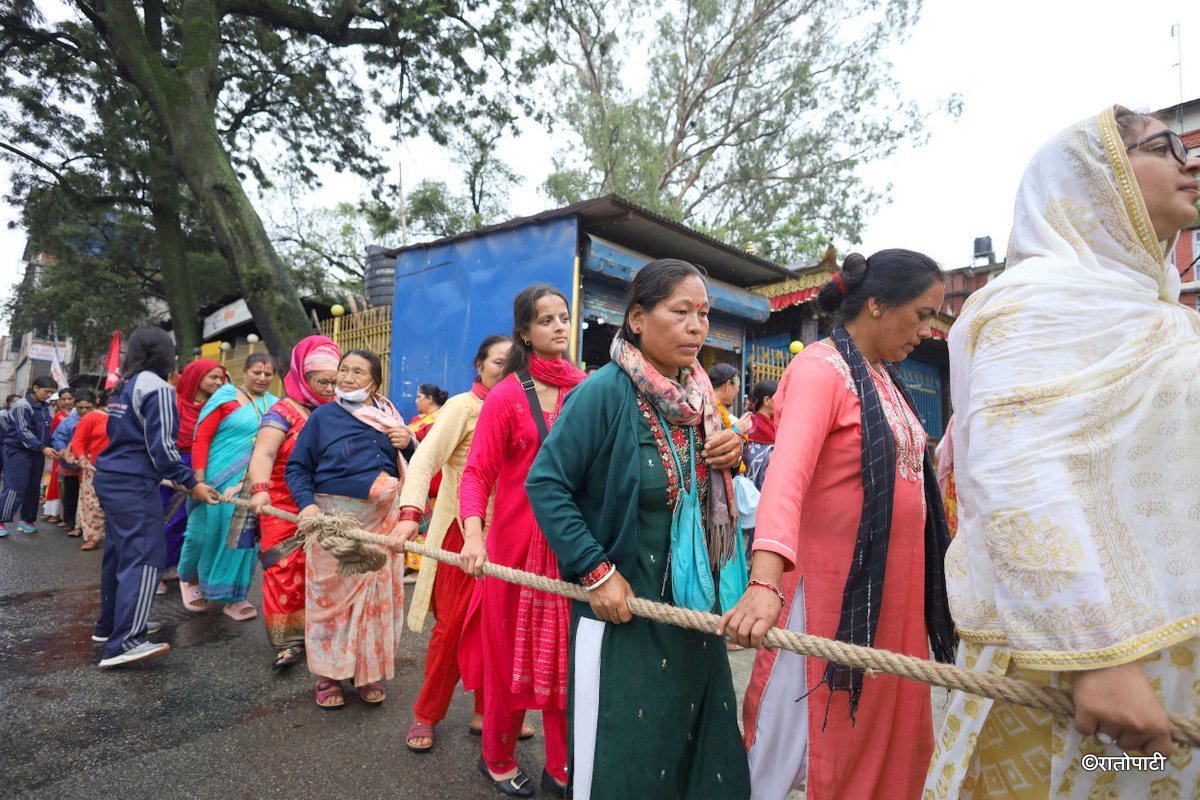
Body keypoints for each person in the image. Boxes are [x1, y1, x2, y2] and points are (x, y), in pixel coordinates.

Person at [924, 106, 1200, 798]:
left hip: (1172, 648)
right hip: (1079, 667)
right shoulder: (1035, 302)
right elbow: (1017, 468)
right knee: (1093, 775)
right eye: (1165, 146)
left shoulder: (1161, 316)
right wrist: (1093, 658)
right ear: (1095, 175)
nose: (1190, 161)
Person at [721, 249, 956, 800]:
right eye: (921, 314)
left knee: (882, 729)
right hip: (826, 598)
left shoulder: (885, 379)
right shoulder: (819, 369)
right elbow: (787, 477)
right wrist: (763, 584)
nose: (926, 331)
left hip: (892, 598)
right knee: (782, 742)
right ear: (875, 304)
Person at [525, 259, 750, 799]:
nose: (698, 326)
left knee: (702, 759)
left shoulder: (702, 405)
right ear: (637, 318)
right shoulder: (603, 394)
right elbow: (546, 484)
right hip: (625, 613)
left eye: (704, 314)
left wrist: (728, 456)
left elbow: (700, 497)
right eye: (680, 312)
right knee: (628, 759)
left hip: (694, 616)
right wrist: (597, 574)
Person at [457, 284, 587, 798]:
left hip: (574, 548)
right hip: (512, 551)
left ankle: (561, 764)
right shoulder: (509, 395)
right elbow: (476, 474)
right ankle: (497, 756)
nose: (558, 326)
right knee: (507, 655)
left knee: (567, 660)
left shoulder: (590, 389)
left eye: (563, 317)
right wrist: (474, 535)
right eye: (546, 319)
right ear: (525, 333)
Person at [395, 335, 514, 753]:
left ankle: (487, 711)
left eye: (512, 361)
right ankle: (426, 714)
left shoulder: (521, 405)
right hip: (461, 536)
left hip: (509, 537)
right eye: (498, 360)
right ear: (479, 365)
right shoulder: (463, 406)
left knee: (499, 630)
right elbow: (425, 459)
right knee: (451, 629)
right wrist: (410, 514)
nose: (505, 367)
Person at [285, 349, 413, 709]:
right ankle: (328, 675)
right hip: (333, 522)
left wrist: (410, 443)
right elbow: (297, 469)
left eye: (358, 372)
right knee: (329, 601)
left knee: (377, 601)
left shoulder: (391, 419)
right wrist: (308, 508)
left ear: (374, 382)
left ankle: (367, 672)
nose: (347, 378)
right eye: (344, 370)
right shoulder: (323, 418)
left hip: (381, 523)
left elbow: (415, 469)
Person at [92, 326, 219, 667]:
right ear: (167, 354)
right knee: (146, 554)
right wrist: (191, 482)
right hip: (133, 483)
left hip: (111, 477)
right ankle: (125, 641)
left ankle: (110, 627)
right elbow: (162, 447)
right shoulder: (159, 389)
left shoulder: (124, 385)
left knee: (119, 554)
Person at [243, 335, 341, 671]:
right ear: (303, 376)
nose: (329, 388)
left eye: (335, 380)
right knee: (284, 571)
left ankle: (322, 632)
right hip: (281, 505)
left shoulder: (343, 410)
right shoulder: (283, 410)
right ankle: (288, 642)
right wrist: (260, 489)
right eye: (321, 381)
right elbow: (264, 452)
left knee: (326, 573)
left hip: (328, 506)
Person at [178, 353, 277, 620]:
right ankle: (188, 578)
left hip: (251, 480)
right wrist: (197, 479)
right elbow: (202, 438)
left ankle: (233, 595)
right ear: (245, 372)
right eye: (257, 372)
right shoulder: (225, 397)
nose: (262, 378)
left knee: (243, 538)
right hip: (214, 479)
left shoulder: (276, 406)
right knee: (202, 534)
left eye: (268, 374)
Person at [162, 359, 227, 588]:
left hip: (210, 466)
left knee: (198, 522)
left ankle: (186, 568)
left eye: (221, 378)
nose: (218, 382)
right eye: (213, 377)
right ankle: (160, 569)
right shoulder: (173, 403)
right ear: (196, 377)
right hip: (176, 466)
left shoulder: (221, 405)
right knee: (171, 519)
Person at [0, 377, 58, 537]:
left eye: (52, 393)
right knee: (15, 486)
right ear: (35, 388)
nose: (48, 395)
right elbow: (23, 431)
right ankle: (1, 520)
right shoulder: (22, 406)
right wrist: (43, 447)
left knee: (33, 486)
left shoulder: (47, 408)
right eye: (46, 391)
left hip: (37, 452)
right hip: (17, 451)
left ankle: (27, 520)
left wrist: (55, 447)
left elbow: (48, 432)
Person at [404, 382, 450, 573]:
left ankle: (425, 566)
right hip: (417, 479)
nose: (416, 401)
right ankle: (415, 564)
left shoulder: (443, 418)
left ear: (430, 399)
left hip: (435, 480)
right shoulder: (418, 419)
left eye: (419, 396)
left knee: (430, 525)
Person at [68, 391, 109, 551]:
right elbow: (78, 440)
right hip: (93, 467)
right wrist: (82, 457)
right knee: (92, 504)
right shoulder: (92, 417)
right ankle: (92, 537)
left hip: (121, 468)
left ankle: (113, 536)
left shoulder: (128, 416)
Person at [741, 379, 778, 558]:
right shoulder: (749, 423)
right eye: (778, 398)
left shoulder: (777, 423)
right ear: (767, 400)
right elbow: (746, 455)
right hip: (753, 489)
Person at [52, 389, 93, 536]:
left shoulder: (101, 419)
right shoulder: (68, 422)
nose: (84, 411)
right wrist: (63, 451)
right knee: (71, 495)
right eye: (80, 407)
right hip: (71, 465)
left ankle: (87, 526)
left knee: (90, 498)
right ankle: (70, 521)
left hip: (91, 466)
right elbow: (58, 438)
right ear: (76, 406)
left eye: (87, 408)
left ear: (95, 405)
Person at [42, 388, 74, 525]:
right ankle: (54, 512)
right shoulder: (58, 416)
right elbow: (53, 436)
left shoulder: (81, 415)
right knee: (56, 482)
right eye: (63, 399)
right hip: (59, 454)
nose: (67, 402)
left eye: (69, 398)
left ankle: (68, 516)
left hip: (76, 455)